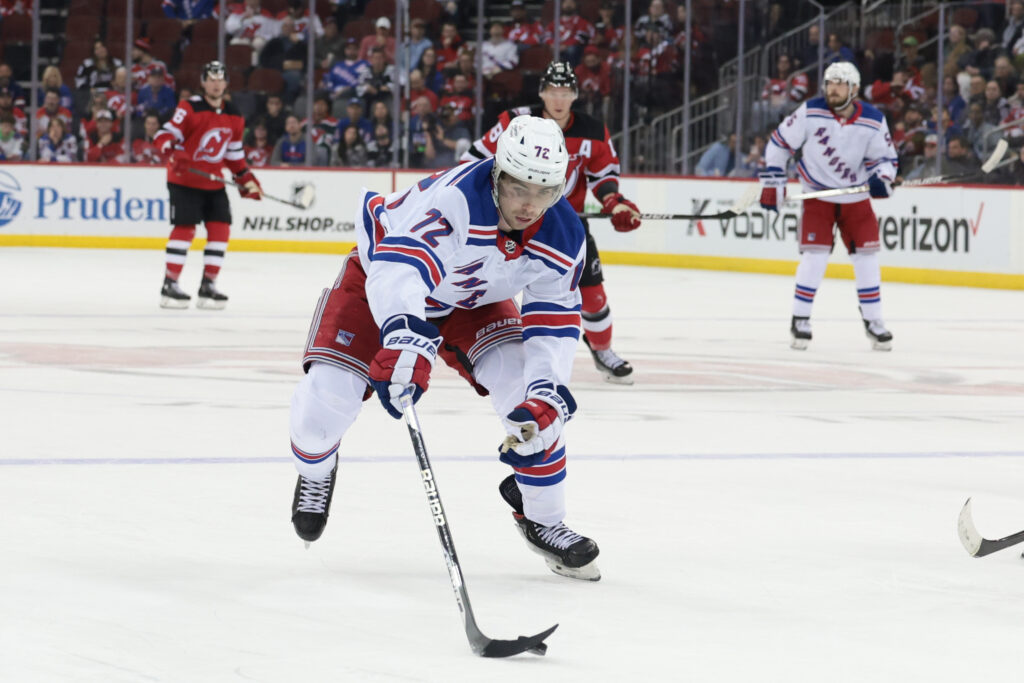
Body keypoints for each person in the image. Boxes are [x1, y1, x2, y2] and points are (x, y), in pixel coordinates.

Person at [288, 115, 601, 581]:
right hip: (382, 284)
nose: (530, 205)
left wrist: (547, 389)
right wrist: (404, 338)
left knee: (531, 403)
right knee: (325, 406)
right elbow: (401, 270)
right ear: (497, 173)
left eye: (545, 192)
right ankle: (316, 469)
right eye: (518, 189)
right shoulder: (457, 200)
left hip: (477, 300)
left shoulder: (564, 233)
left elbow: (553, 322)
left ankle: (544, 519)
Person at [462, 62, 641, 383]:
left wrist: (615, 202)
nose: (558, 99)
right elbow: (472, 162)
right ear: (542, 93)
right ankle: (470, 343)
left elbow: (604, 178)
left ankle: (603, 351)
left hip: (561, 226)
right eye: (552, 92)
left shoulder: (592, 131)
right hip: (506, 221)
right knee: (479, 284)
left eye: (565, 92)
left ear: (574, 96)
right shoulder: (515, 122)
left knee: (593, 296)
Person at [760, 61, 897, 352]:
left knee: (867, 259)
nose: (832, 89)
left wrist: (882, 178)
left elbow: (885, 160)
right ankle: (800, 318)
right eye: (829, 83)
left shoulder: (872, 119)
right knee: (815, 257)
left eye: (840, 83)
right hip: (817, 197)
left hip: (855, 200)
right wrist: (774, 182)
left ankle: (873, 321)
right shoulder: (810, 112)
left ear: (855, 89)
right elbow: (778, 144)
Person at [152, 61, 263, 310]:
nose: (215, 83)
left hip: (213, 183)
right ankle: (169, 284)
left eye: (220, 79)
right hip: (184, 180)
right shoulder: (189, 107)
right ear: (203, 82)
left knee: (221, 229)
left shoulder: (235, 114)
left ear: (226, 83)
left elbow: (234, 155)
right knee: (185, 229)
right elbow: (163, 135)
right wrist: (172, 151)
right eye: (211, 78)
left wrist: (246, 179)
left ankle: (208, 285)